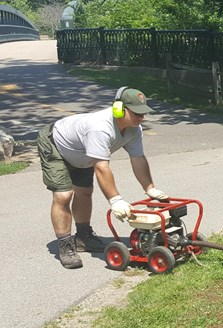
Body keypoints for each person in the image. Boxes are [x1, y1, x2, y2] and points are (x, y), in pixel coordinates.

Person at [37, 87, 170, 269]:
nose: (142, 118)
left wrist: (149, 188)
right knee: (63, 195)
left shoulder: (134, 129)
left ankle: (83, 237)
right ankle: (65, 245)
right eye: (137, 113)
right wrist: (116, 200)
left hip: (82, 154)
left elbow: (138, 158)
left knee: (84, 192)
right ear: (119, 109)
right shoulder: (100, 128)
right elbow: (101, 167)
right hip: (56, 145)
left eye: (144, 113)